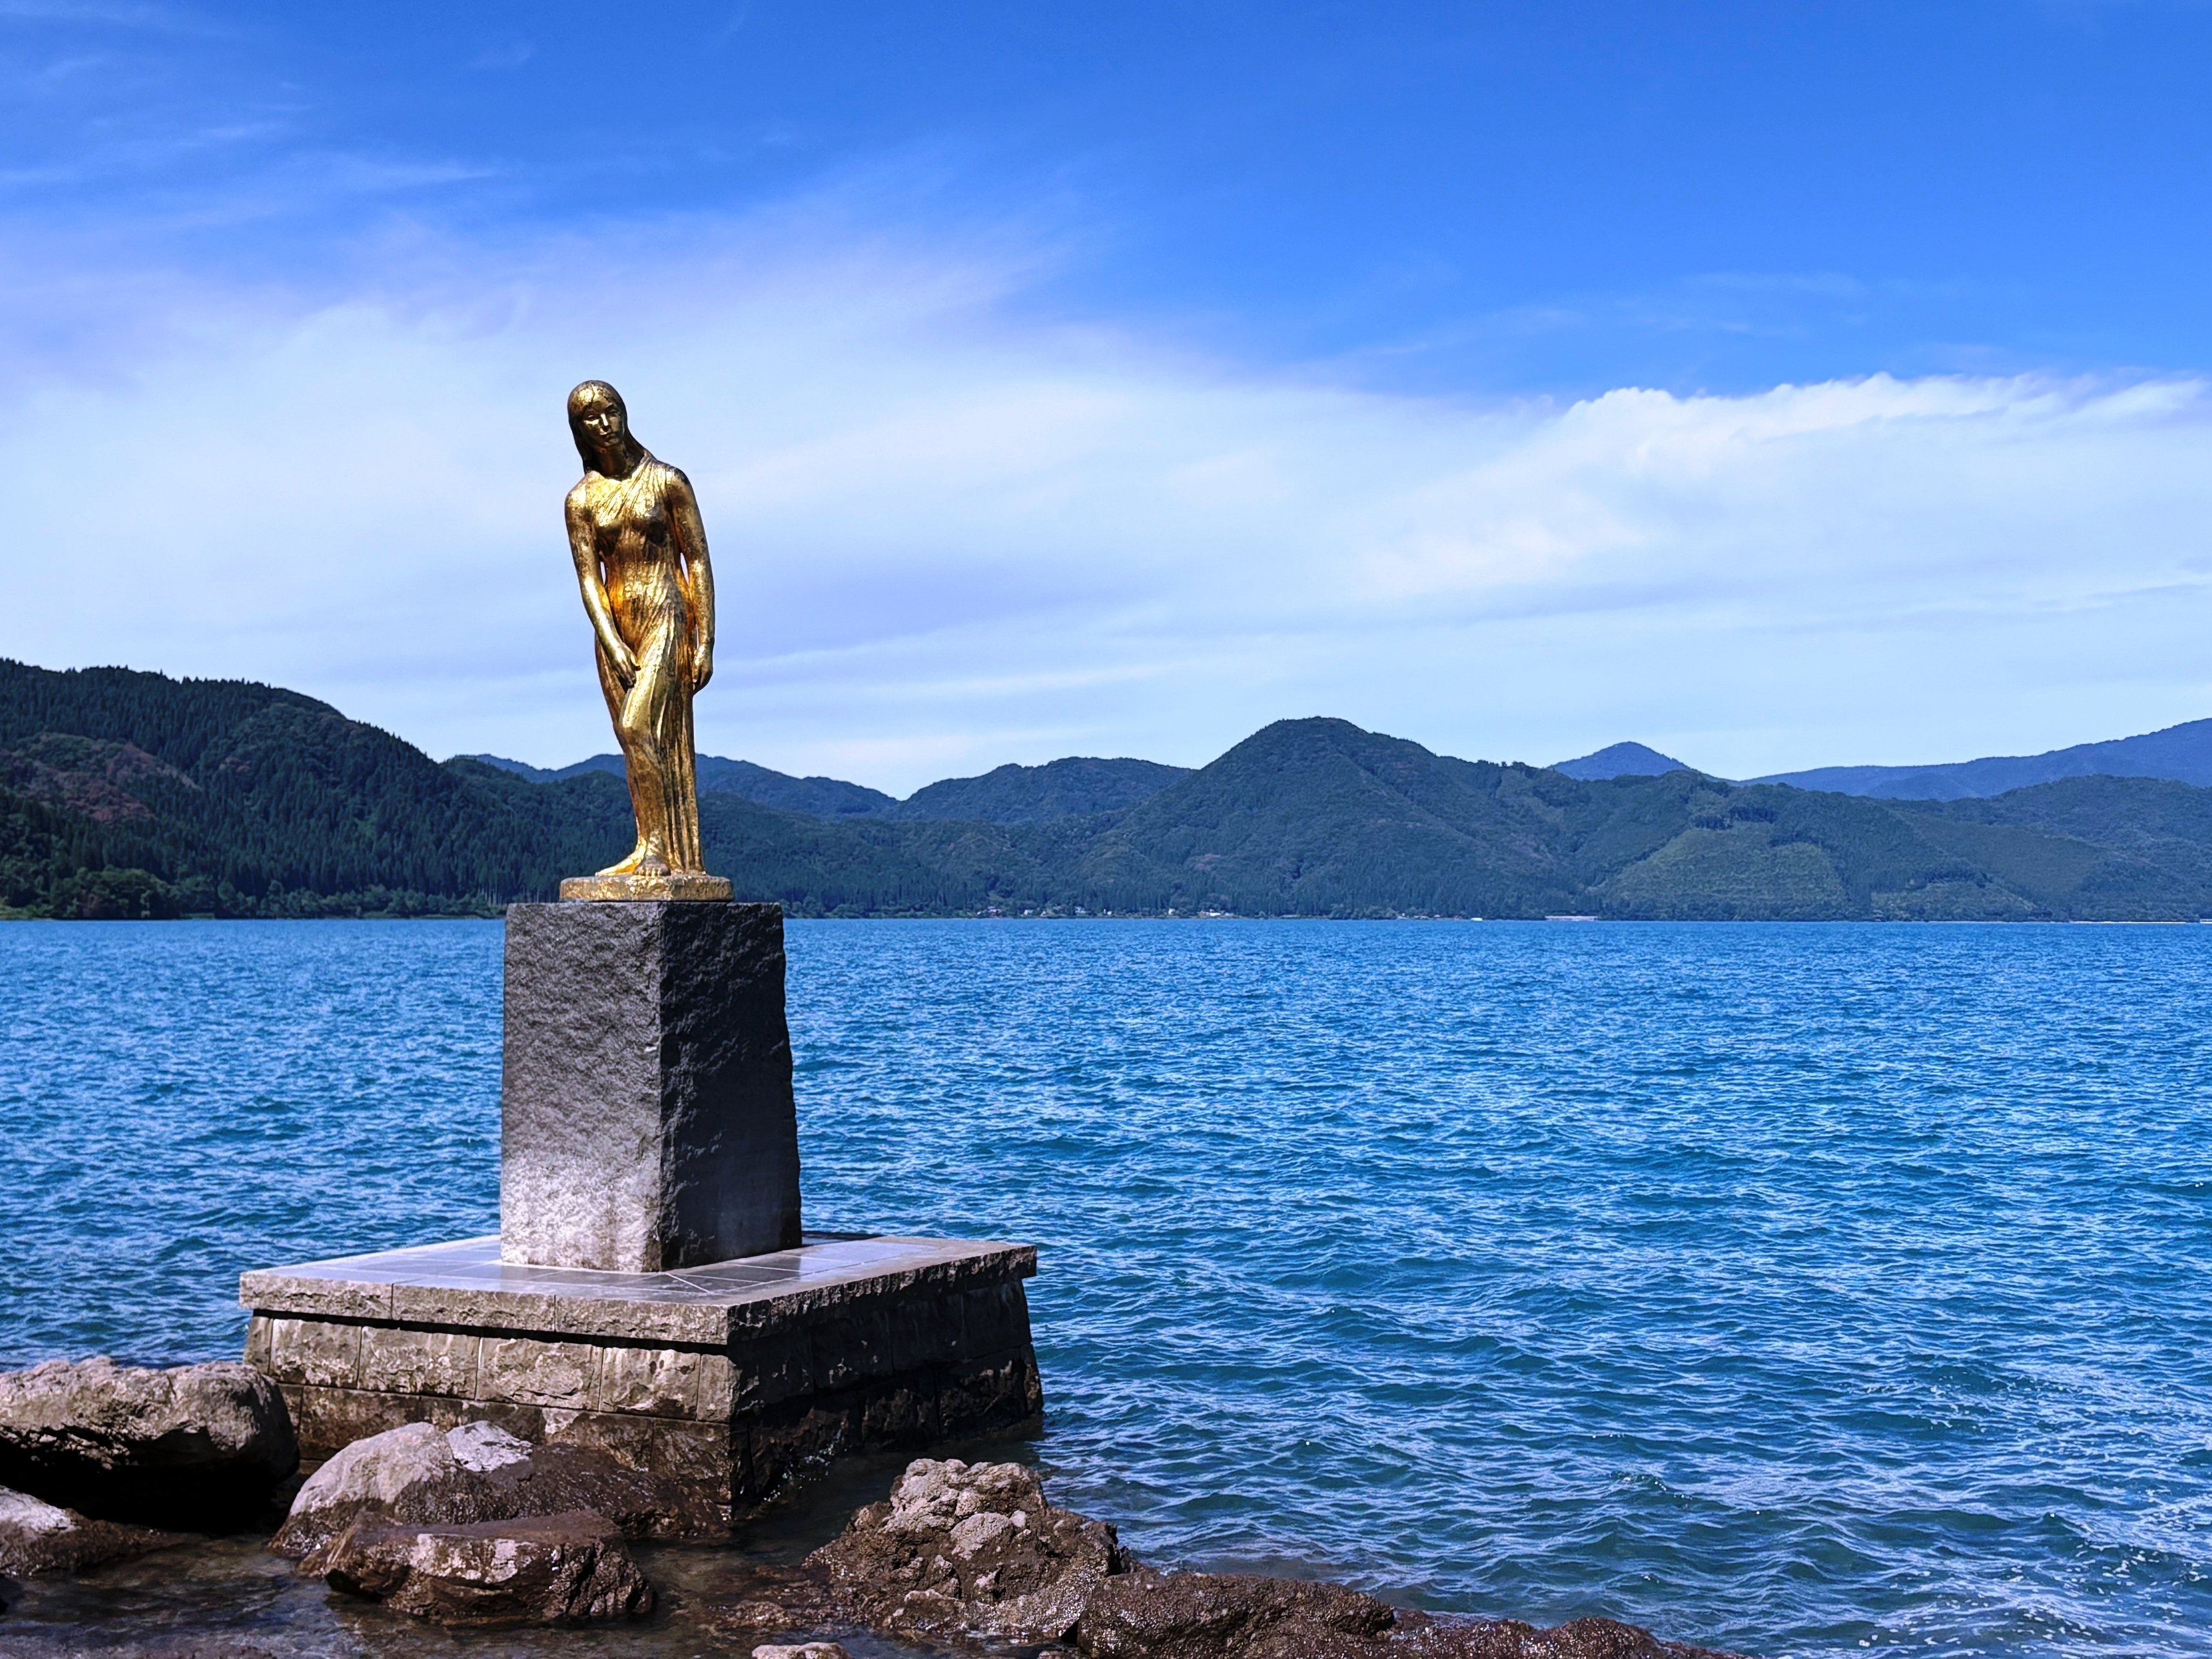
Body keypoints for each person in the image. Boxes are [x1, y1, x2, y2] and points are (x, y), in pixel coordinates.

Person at [563, 380, 716, 878]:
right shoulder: (581, 500)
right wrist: (609, 639)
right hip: (615, 627)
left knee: (638, 725)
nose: (604, 424)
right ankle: (647, 844)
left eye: (610, 411)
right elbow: (588, 578)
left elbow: (697, 559)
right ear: (579, 430)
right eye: (590, 418)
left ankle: (658, 849)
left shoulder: (668, 481)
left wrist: (706, 640)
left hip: (666, 614)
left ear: (623, 411)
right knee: (632, 740)